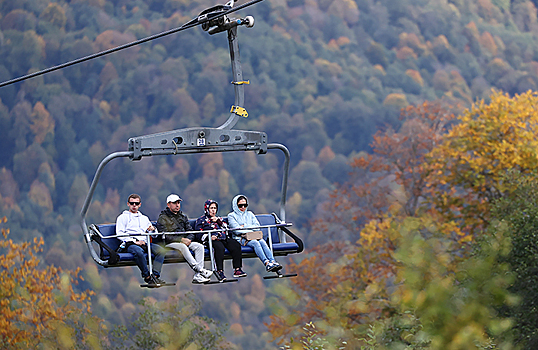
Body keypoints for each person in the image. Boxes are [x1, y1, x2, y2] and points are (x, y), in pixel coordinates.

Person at [155, 194, 213, 284]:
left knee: (199, 246)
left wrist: (188, 239)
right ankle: (200, 270)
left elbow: (190, 231)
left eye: (178, 203)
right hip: (169, 243)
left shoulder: (183, 216)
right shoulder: (162, 218)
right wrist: (181, 240)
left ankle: (198, 276)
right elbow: (165, 236)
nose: (177, 205)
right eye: (174, 203)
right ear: (168, 204)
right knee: (182, 246)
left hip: (184, 242)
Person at [116, 193, 167, 287]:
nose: (134, 205)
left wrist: (153, 230)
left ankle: (155, 275)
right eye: (132, 203)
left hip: (144, 243)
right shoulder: (122, 218)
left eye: (136, 203)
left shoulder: (144, 218)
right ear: (128, 204)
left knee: (161, 251)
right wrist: (134, 241)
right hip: (131, 244)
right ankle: (147, 276)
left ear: (140, 204)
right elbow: (120, 234)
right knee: (138, 252)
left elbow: (154, 235)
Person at [194, 199, 246, 282]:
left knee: (235, 245)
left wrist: (218, 222)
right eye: (211, 208)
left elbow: (228, 229)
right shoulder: (201, 220)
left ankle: (237, 268)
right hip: (212, 240)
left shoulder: (219, 219)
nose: (213, 210)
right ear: (207, 209)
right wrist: (208, 237)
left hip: (223, 238)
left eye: (215, 208)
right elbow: (198, 234)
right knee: (219, 248)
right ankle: (219, 271)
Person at [228, 194, 282, 272]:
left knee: (262, 241)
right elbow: (236, 230)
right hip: (241, 238)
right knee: (255, 243)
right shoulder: (232, 216)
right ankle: (266, 263)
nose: (243, 207)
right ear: (236, 205)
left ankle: (272, 261)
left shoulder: (250, 214)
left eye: (245, 205)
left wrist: (244, 226)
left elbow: (257, 226)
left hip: (254, 236)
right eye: (240, 205)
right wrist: (250, 228)